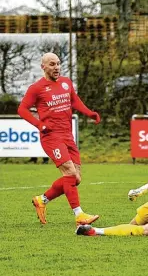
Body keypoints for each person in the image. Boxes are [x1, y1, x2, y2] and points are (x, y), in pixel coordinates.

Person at [17, 52, 101, 225]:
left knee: (76, 178)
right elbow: (22, 109)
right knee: (70, 173)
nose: (57, 68)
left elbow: (75, 101)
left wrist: (90, 113)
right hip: (51, 137)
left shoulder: (66, 82)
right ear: (44, 67)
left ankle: (42, 200)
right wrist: (40, 125)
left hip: (67, 135)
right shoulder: (37, 88)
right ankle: (79, 216)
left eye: (58, 64)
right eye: (52, 64)